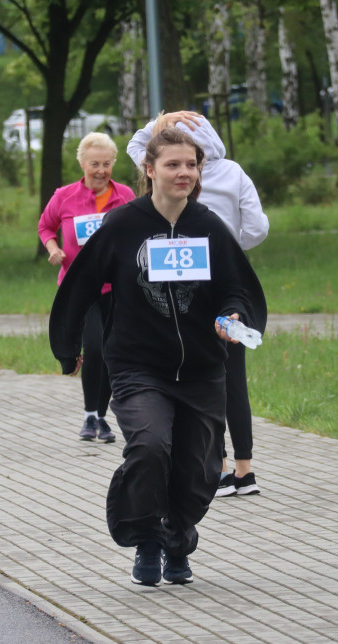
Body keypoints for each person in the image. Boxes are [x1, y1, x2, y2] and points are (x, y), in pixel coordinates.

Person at [50, 128, 266, 586]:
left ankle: (177, 537)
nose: (183, 172)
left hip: (203, 370)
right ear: (149, 170)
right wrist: (67, 347)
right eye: (173, 164)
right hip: (136, 366)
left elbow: (237, 288)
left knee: (198, 469)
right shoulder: (124, 225)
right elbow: (80, 283)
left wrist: (232, 316)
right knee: (149, 448)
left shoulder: (208, 226)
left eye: (191, 164)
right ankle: (148, 538)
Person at [128, 111, 269, 498]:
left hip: (180, 290)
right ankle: (245, 469)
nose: (183, 170)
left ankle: (216, 465)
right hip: (229, 284)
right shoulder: (234, 172)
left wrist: (156, 122)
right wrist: (230, 249)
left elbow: (138, 150)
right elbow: (258, 228)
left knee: (199, 378)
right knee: (233, 379)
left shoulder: (169, 172)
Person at [38, 132, 136, 443]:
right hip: (80, 287)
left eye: (107, 164)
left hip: (116, 287)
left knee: (110, 351)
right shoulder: (64, 196)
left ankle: (103, 418)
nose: (101, 170)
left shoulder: (125, 196)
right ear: (82, 163)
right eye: (95, 164)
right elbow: (45, 226)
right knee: (93, 348)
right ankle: (89, 414)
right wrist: (53, 248)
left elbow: (138, 231)